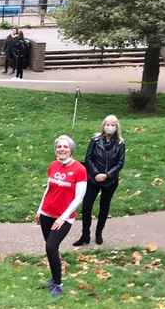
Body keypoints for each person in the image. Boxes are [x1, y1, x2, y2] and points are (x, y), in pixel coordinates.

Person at [35, 135, 87, 297]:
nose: (61, 149)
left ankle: (58, 284)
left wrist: (63, 217)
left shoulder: (80, 169)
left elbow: (79, 197)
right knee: (51, 248)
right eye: (59, 147)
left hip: (64, 217)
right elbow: (48, 189)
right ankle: (54, 278)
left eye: (65, 147)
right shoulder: (53, 166)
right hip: (46, 213)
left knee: (51, 246)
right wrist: (39, 209)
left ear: (71, 149)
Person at [73, 114, 126, 246]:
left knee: (104, 206)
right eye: (107, 124)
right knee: (86, 206)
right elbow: (88, 158)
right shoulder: (95, 140)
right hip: (93, 179)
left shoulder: (120, 143)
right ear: (103, 126)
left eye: (113, 125)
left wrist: (107, 175)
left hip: (110, 181)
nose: (110, 127)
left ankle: (99, 234)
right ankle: (85, 235)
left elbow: (120, 163)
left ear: (116, 127)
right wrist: (96, 173)